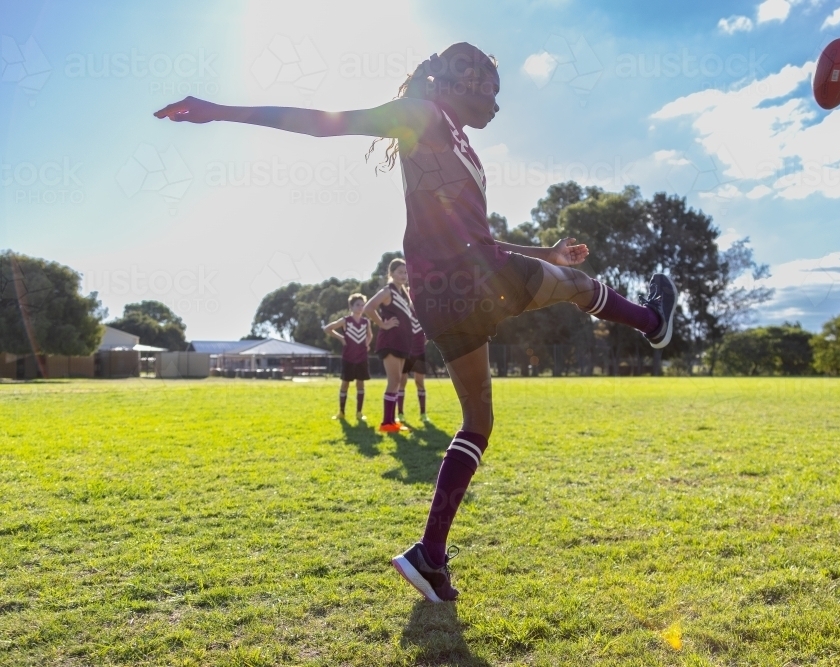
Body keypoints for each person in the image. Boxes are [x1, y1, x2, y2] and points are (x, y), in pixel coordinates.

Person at [154, 42, 677, 604]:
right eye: (492, 92)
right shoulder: (421, 116)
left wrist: (544, 252)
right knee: (580, 291)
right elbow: (324, 123)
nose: (497, 106)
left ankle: (429, 556)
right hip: (465, 280)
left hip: (444, 290)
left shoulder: (453, 135)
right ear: (462, 80)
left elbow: (476, 236)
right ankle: (652, 322)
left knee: (477, 420)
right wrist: (219, 111)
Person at [362, 258, 413, 433]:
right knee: (394, 381)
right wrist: (382, 324)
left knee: (398, 381)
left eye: (406, 272)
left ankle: (392, 421)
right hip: (389, 341)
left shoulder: (405, 293)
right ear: (391, 274)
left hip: (402, 342)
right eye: (400, 272)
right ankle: (386, 423)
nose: (404, 275)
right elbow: (369, 308)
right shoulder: (387, 291)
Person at [323, 293, 373, 421]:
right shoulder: (345, 320)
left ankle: (359, 413)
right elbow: (328, 328)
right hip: (348, 358)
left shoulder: (366, 322)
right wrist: (341, 338)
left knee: (360, 385)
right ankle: (341, 412)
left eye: (362, 305)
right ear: (351, 306)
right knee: (345, 384)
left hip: (361, 358)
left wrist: (366, 345)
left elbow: (370, 336)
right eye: (357, 305)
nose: (360, 307)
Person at [398, 268, 429, 423]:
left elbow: (429, 333)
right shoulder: (404, 313)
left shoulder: (423, 313)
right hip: (405, 354)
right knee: (401, 383)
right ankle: (400, 414)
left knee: (419, 383)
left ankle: (423, 414)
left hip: (420, 353)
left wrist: (423, 342)